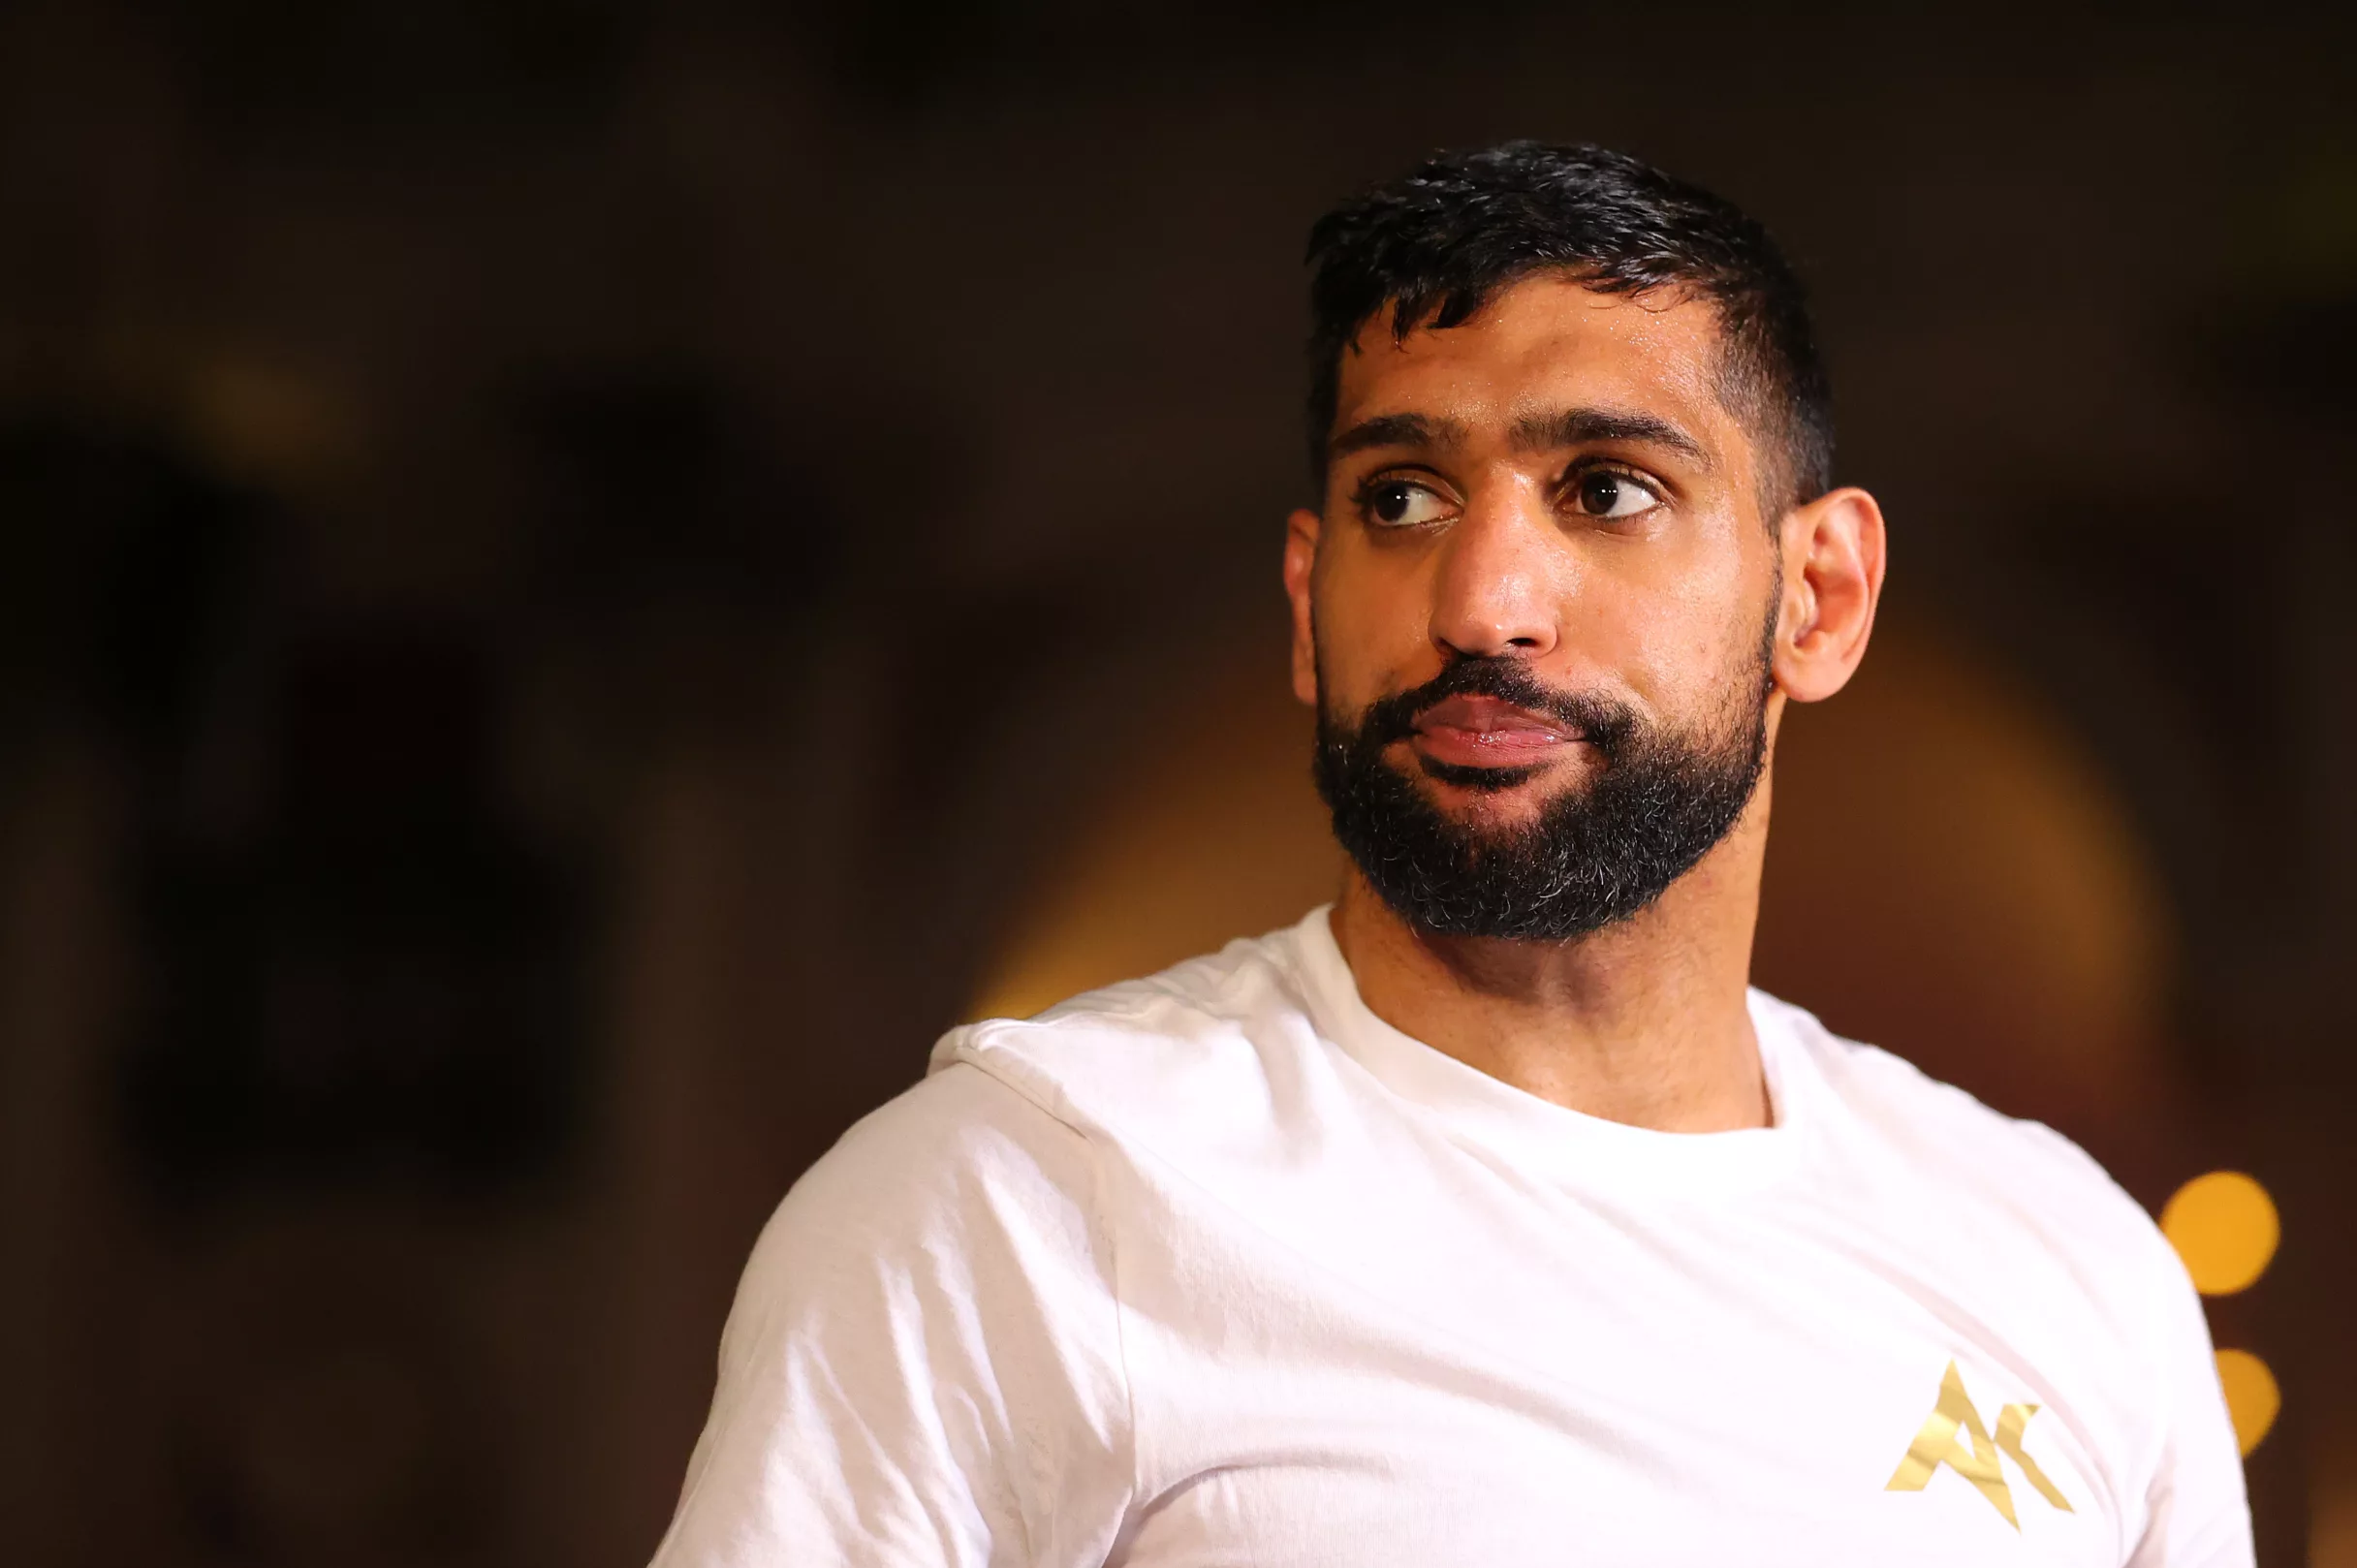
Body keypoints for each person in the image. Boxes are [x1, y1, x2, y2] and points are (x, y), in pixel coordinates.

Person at [647, 141, 2252, 1566]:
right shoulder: (1019, 1202)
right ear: (1307, 601)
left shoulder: (2068, 1273)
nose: (1483, 603)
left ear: (1818, 597)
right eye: (1403, 498)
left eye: (1607, 489)